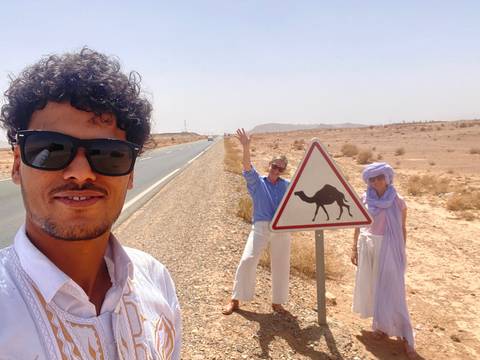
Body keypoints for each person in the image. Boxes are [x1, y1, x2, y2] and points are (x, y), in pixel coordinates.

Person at [0, 48, 181, 359]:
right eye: (51, 149)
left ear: (130, 172)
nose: (81, 173)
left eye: (109, 154)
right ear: (17, 165)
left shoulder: (155, 280)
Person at [223, 128, 292, 315]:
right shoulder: (257, 182)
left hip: (282, 229)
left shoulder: (287, 186)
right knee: (247, 259)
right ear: (269, 165)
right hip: (261, 226)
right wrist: (246, 146)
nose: (276, 170)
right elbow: (246, 166)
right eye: (274, 166)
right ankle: (235, 299)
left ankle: (277, 303)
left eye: (281, 168)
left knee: (281, 264)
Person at [351, 162, 416, 359]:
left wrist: (401, 251)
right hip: (368, 245)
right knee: (373, 286)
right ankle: (380, 326)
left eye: (380, 177)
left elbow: (402, 228)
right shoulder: (364, 198)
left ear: (388, 178)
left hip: (389, 247)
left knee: (393, 289)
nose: (377, 181)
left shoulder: (398, 201)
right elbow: (358, 224)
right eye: (372, 178)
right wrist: (353, 247)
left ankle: (406, 336)